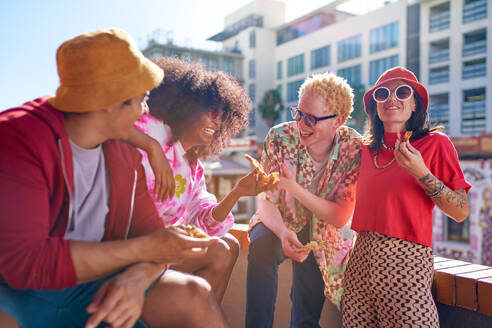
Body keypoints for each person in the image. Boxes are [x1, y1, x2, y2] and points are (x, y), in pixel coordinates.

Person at [0, 28, 230, 328]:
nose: (146, 110)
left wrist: (139, 276)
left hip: (92, 290)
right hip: (16, 291)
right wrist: (143, 251)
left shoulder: (125, 154)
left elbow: (153, 237)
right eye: (142, 99)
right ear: (110, 100)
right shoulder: (18, 138)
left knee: (193, 294)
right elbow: (26, 264)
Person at [128, 57, 274, 302]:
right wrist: (152, 147)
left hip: (162, 254)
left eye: (223, 115)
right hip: (128, 252)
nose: (217, 121)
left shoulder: (193, 167)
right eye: (211, 111)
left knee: (228, 244)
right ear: (186, 107)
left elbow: (204, 221)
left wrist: (237, 192)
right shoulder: (154, 131)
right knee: (219, 250)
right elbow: (116, 125)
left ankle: (196, 315)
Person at [342, 66, 471, 327]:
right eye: (382, 93)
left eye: (402, 92)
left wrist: (421, 172)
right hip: (359, 261)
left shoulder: (436, 143)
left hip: (407, 263)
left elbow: (461, 212)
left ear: (415, 105)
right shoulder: (364, 151)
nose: (392, 98)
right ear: (375, 106)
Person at [246, 72, 362, 328]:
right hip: (280, 218)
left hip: (325, 232)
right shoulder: (279, 138)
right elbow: (265, 199)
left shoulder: (353, 147)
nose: (301, 123)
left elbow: (340, 216)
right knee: (261, 247)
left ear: (338, 120)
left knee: (306, 310)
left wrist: (293, 187)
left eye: (311, 118)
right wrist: (283, 231)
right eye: (298, 113)